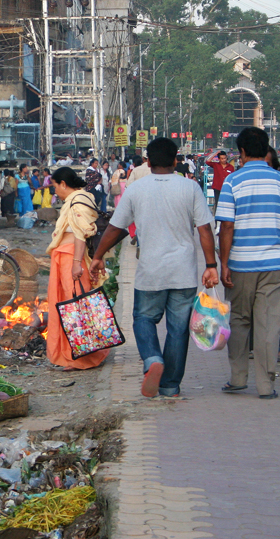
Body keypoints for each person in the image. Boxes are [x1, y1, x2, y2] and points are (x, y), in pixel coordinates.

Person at [90, 138, 218, 398]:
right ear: (175, 160)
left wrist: (98, 255)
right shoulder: (190, 188)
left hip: (150, 271)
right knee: (178, 330)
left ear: (148, 162)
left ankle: (151, 359)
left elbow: (117, 228)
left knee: (144, 319)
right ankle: (170, 385)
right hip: (184, 272)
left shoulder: (136, 190)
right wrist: (211, 265)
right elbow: (205, 229)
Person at [217, 127, 280, 400]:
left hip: (241, 264)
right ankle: (266, 386)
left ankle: (238, 378)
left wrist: (224, 263)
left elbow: (226, 226)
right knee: (269, 324)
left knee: (240, 321)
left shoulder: (232, 181)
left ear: (240, 152)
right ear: (267, 150)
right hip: (274, 264)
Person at [44, 166, 109, 370]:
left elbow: (81, 234)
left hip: (72, 256)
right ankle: (79, 352)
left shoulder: (78, 201)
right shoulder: (82, 198)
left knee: (74, 304)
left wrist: (75, 264)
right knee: (74, 304)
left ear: (63, 184)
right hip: (68, 255)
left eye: (55, 186)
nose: (55, 192)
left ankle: (79, 356)